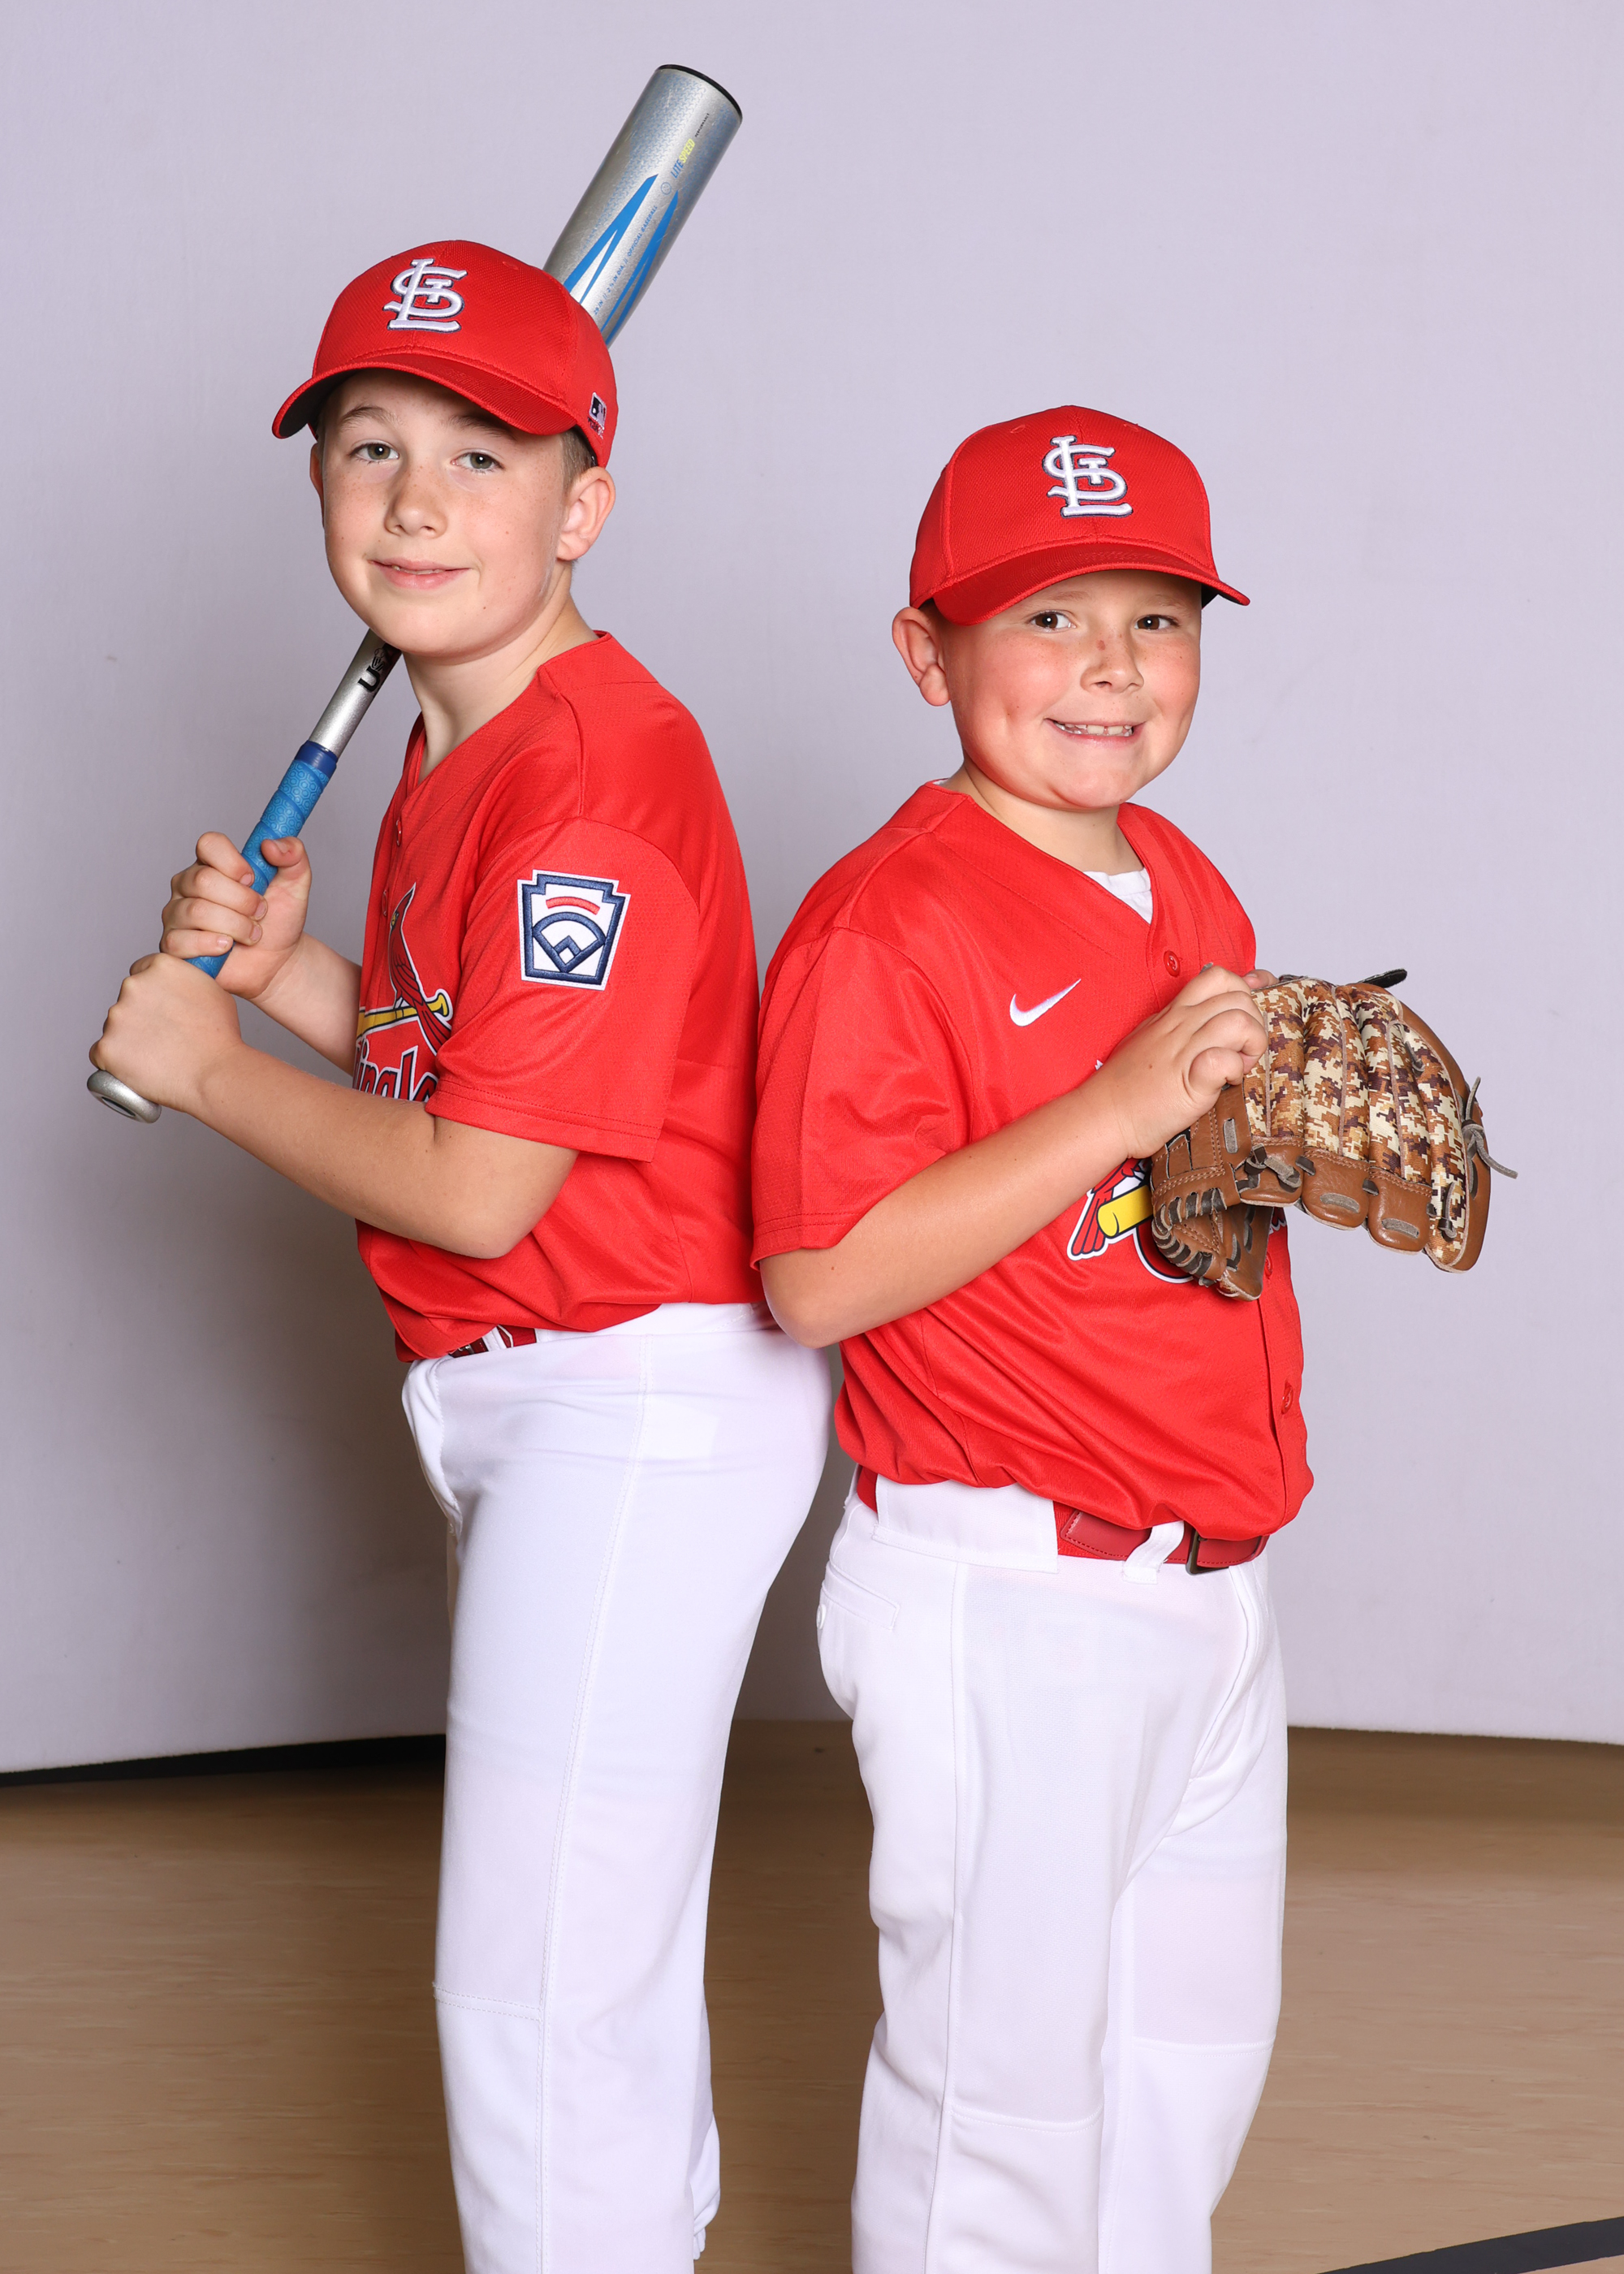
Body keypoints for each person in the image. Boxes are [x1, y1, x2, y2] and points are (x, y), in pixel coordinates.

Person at [91, 240, 831, 2274]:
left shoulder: (587, 782)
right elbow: (469, 1059)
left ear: (582, 509)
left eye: (482, 457)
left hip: (630, 1393)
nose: (415, 501)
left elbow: (482, 1183)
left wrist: (211, 1066)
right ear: (318, 485)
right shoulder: (470, 737)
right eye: (370, 447)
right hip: (549, 1389)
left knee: (535, 1977)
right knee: (587, 1949)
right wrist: (291, 977)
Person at [751, 407, 1311, 2273]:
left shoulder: (1187, 879)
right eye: (1048, 617)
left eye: (1156, 618)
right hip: (1012, 1586)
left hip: (1208, 1569)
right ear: (928, 654)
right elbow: (817, 1274)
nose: (1110, 666)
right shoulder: (883, 921)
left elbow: (1162, 1213)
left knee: (1181, 2071)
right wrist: (1117, 1105)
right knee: (998, 2112)